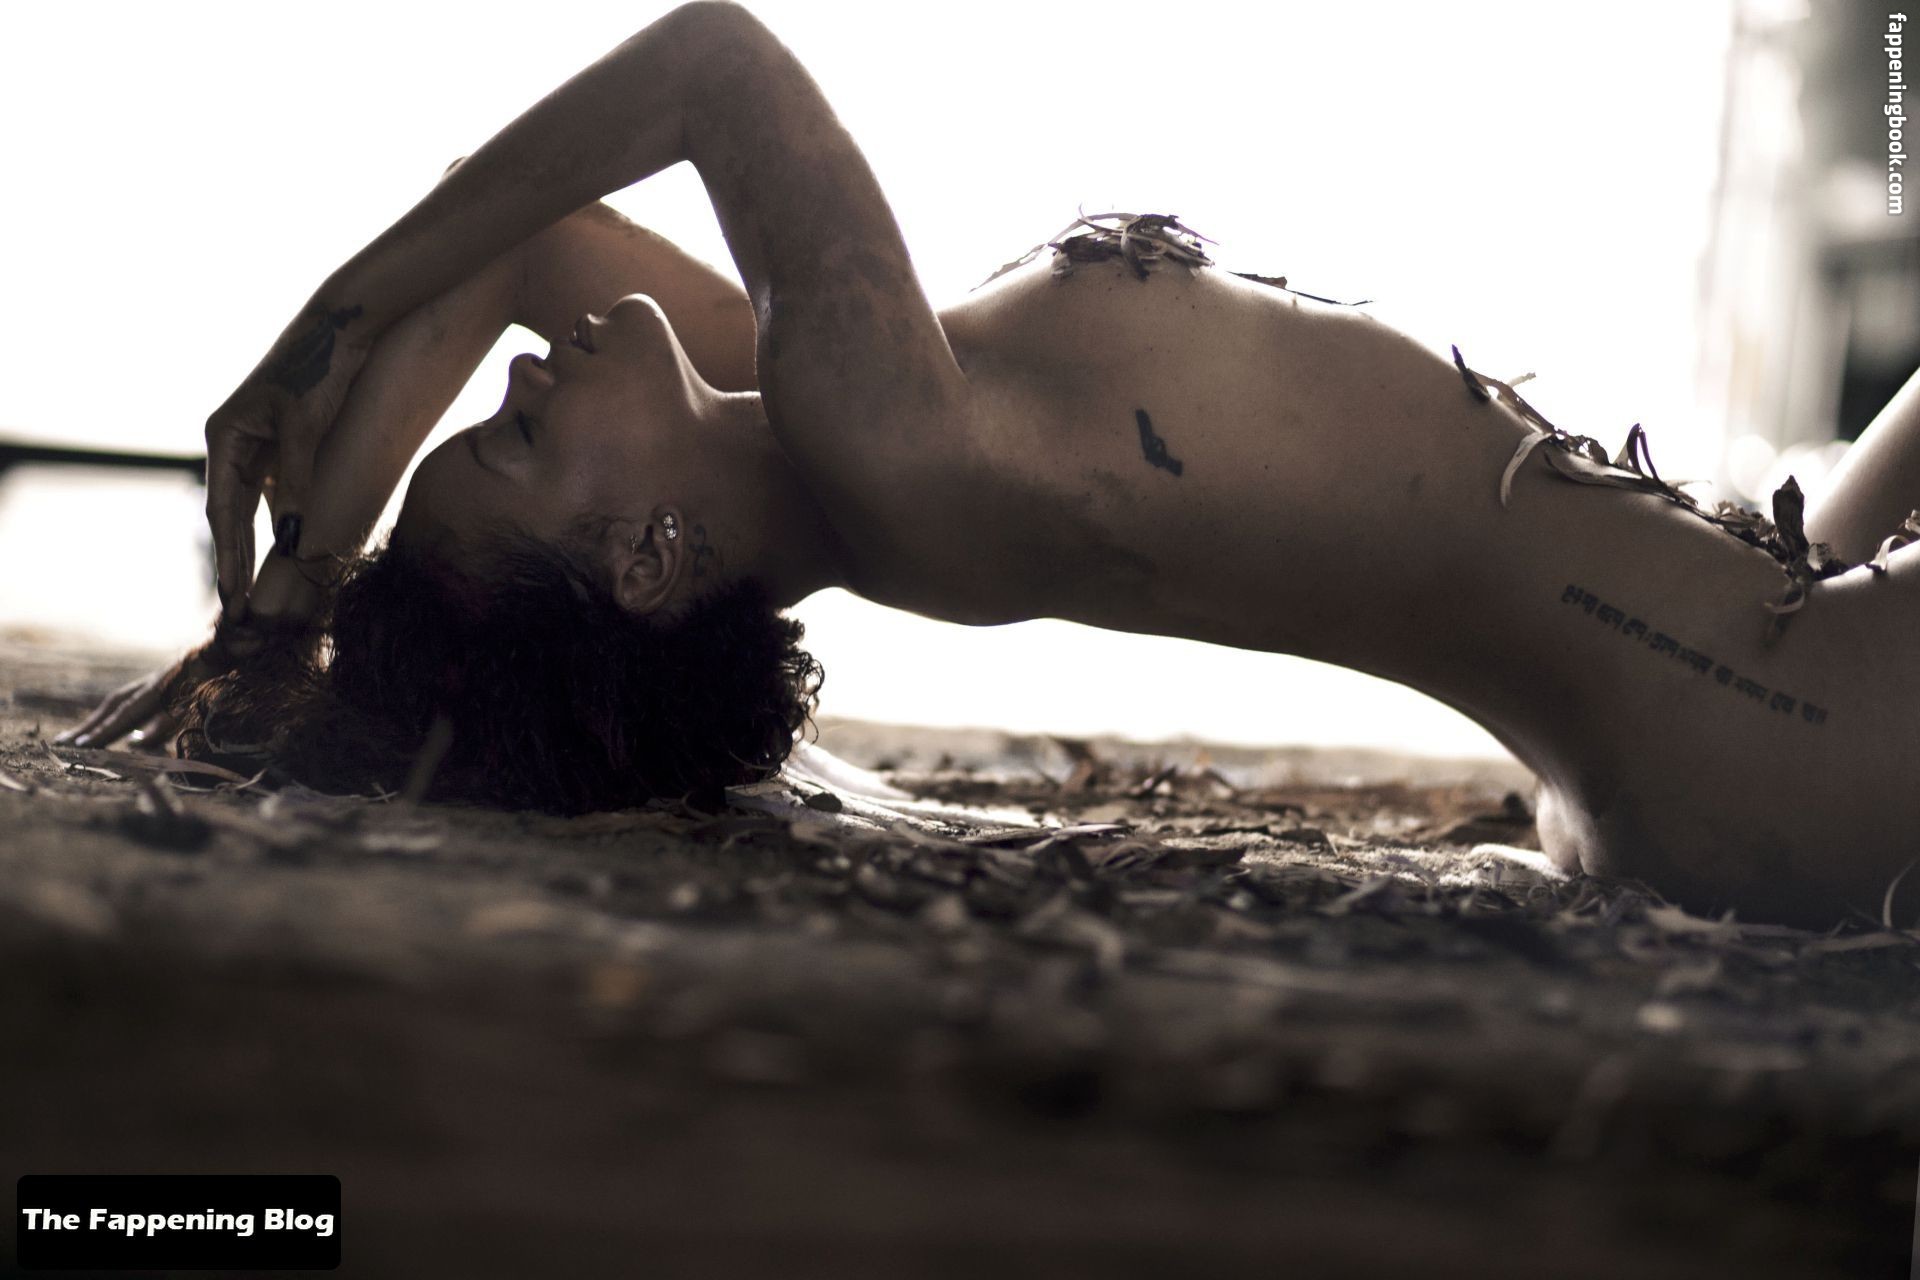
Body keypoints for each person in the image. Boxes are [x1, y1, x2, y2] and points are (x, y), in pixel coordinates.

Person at [57, 0, 1920, 928]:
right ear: (647, 562)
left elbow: (518, 235)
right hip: (1782, 734)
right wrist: (324, 319)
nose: (525, 369)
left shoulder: (823, 444)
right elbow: (714, 60)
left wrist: (287, 600)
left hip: (1721, 718)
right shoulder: (892, 433)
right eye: (522, 433)